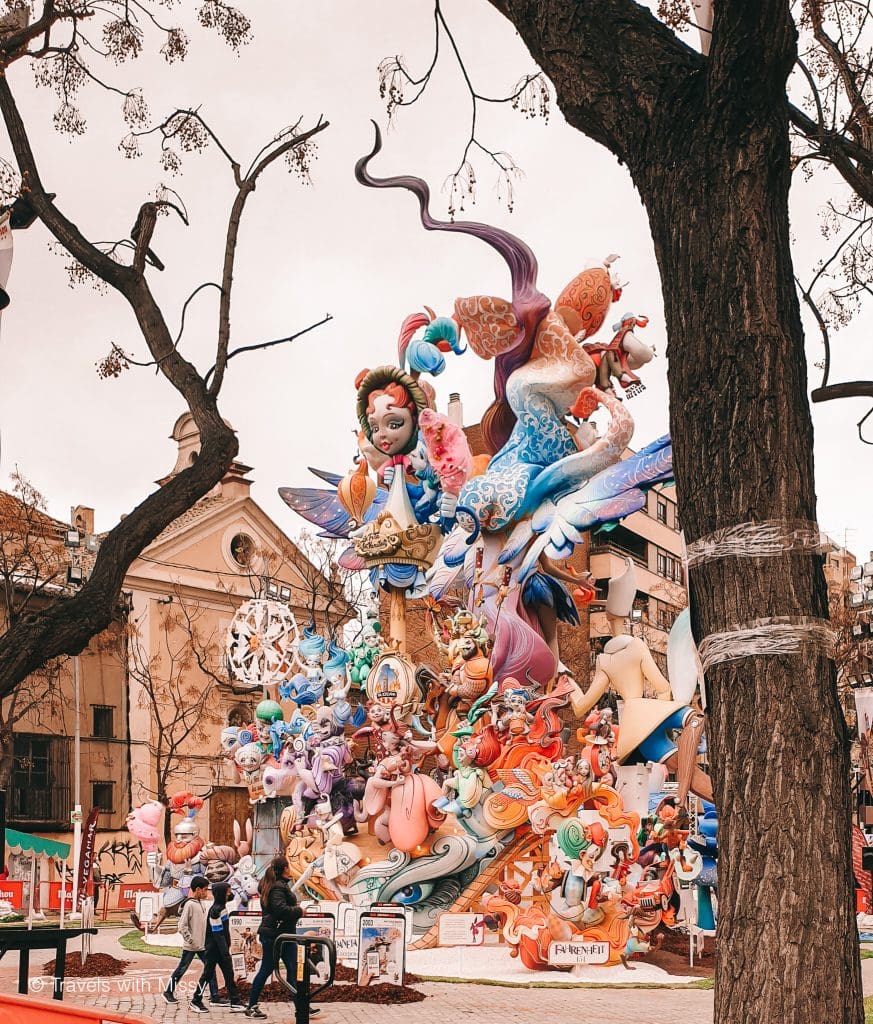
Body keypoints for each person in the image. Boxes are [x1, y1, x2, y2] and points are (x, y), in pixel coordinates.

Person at [244, 856, 318, 1020]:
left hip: (284, 935)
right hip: (275, 935)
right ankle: (251, 1005)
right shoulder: (277, 887)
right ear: (285, 868)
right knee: (267, 969)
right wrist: (300, 911)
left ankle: (301, 1005)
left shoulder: (276, 884)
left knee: (294, 969)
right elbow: (280, 909)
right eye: (288, 866)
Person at [162, 876, 220, 1005]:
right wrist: (191, 940)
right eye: (205, 890)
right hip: (192, 946)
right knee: (181, 969)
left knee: (210, 969)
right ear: (198, 889)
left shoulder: (201, 904)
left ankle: (215, 995)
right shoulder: (189, 905)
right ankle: (168, 992)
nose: (206, 893)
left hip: (202, 945)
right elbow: (182, 925)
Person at [191, 881, 245, 1013]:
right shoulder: (216, 911)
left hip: (221, 949)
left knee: (228, 974)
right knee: (207, 974)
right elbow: (218, 934)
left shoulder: (222, 907)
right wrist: (225, 952)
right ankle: (195, 1000)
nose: (230, 894)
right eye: (227, 891)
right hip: (214, 950)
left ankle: (235, 1001)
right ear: (222, 893)